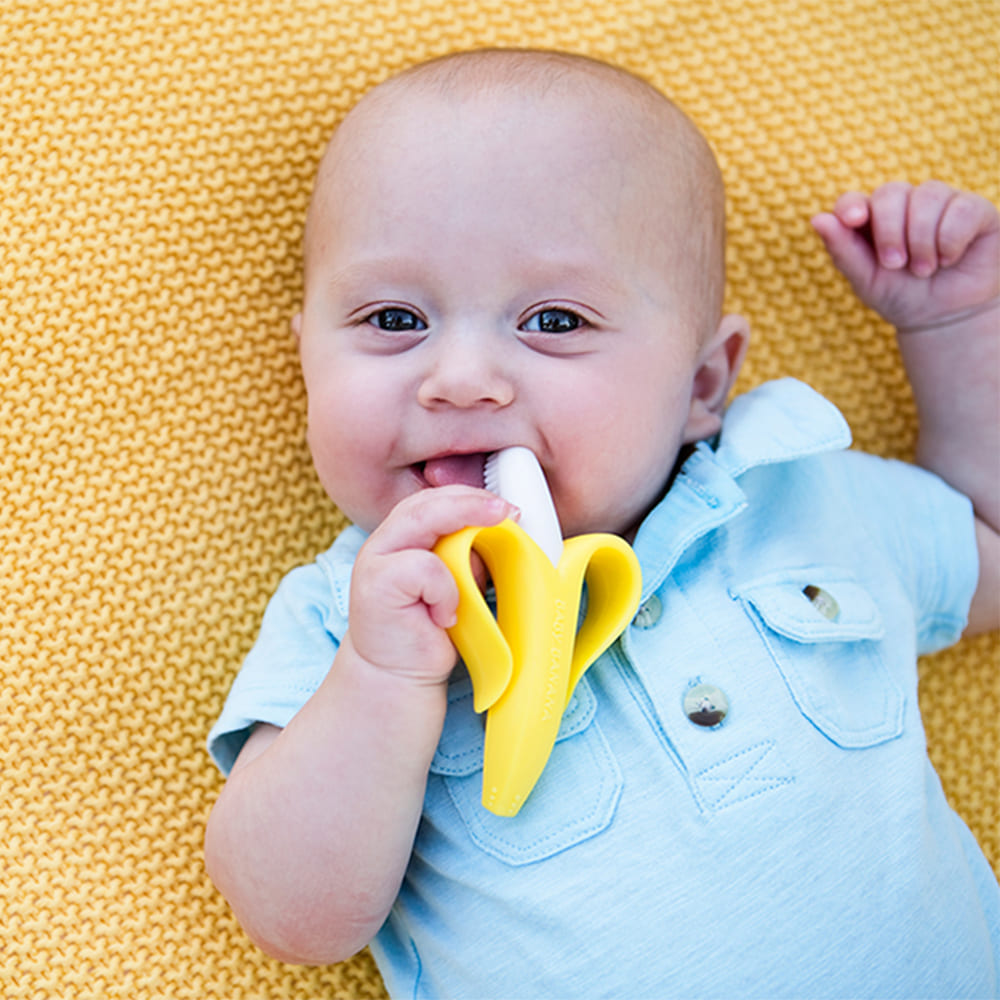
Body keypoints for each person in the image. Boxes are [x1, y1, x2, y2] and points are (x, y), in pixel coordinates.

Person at [204, 48, 1000, 998]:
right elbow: (291, 917)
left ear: (703, 383)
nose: (460, 378)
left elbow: (987, 547)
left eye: (553, 322)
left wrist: (958, 334)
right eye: (391, 318)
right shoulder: (349, 618)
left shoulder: (797, 495)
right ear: (307, 363)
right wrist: (383, 681)